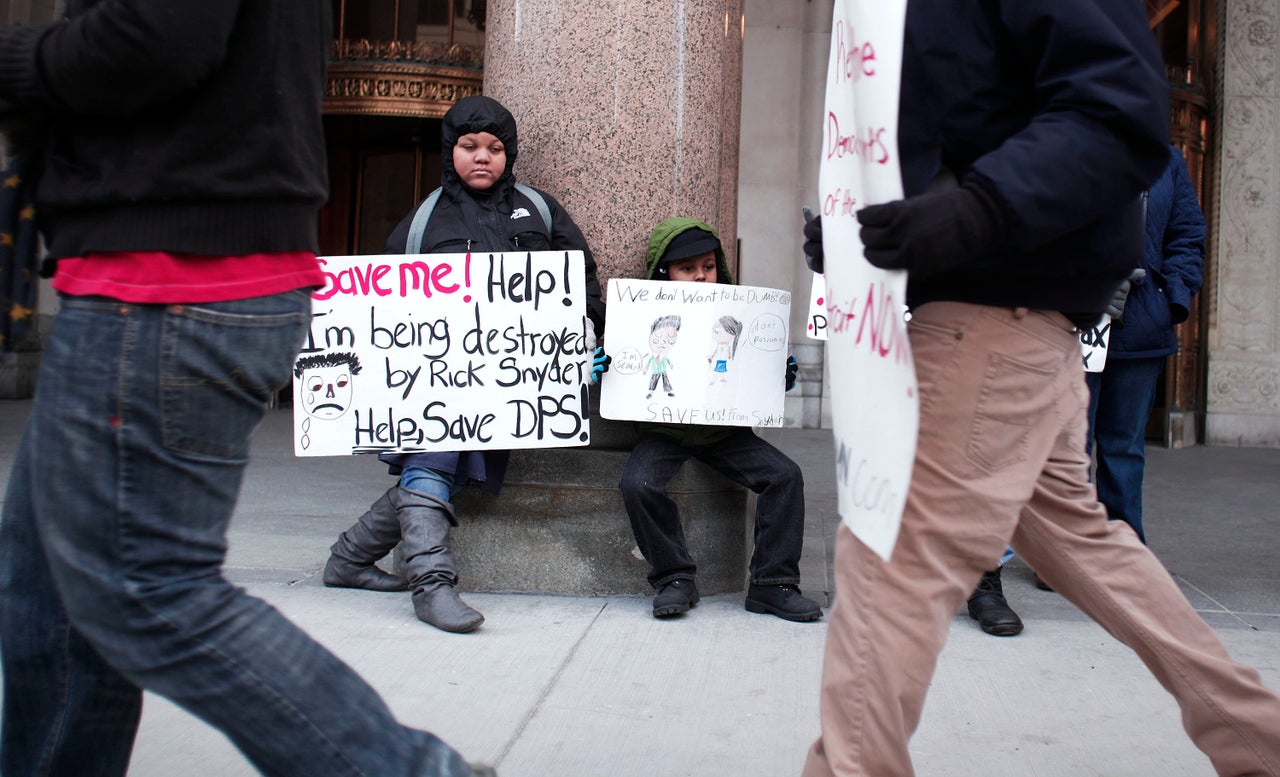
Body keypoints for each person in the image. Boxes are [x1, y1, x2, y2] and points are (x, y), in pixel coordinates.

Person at [0, 4, 493, 776]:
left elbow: (156, 39)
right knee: (50, 597)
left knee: (146, 589)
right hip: (157, 269)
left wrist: (17, 61)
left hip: (169, 276)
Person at [799, 1, 1280, 774]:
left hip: (993, 317)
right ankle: (1263, 739)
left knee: (888, 558)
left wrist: (975, 212)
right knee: (1087, 546)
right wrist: (868, 229)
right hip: (1014, 320)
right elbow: (954, 126)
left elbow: (1117, 108)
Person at [322, 95, 606, 634]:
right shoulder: (424, 219)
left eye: (495, 148)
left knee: (448, 473)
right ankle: (432, 585)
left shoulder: (540, 211)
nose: (482, 157)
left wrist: (590, 338)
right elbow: (378, 298)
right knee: (435, 460)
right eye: (469, 146)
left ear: (510, 153)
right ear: (449, 150)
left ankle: (349, 559)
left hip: (507, 381)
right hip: (433, 379)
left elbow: (580, 281)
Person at [598, 217, 820, 622]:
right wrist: (606, 366)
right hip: (663, 429)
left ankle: (773, 585)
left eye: (708, 266)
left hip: (723, 431)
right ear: (665, 274)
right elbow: (633, 367)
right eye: (687, 269)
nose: (701, 277)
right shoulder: (645, 319)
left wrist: (776, 375)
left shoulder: (740, 318)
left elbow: (750, 373)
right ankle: (674, 578)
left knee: (785, 476)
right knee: (638, 483)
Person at [1088, 144, 1206, 544]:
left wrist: (1169, 298)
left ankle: (1121, 549)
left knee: (1124, 447)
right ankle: (1066, 554)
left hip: (1140, 326)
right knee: (1067, 448)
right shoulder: (1073, 142)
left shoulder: (1168, 159)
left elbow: (1187, 234)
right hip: (1074, 322)